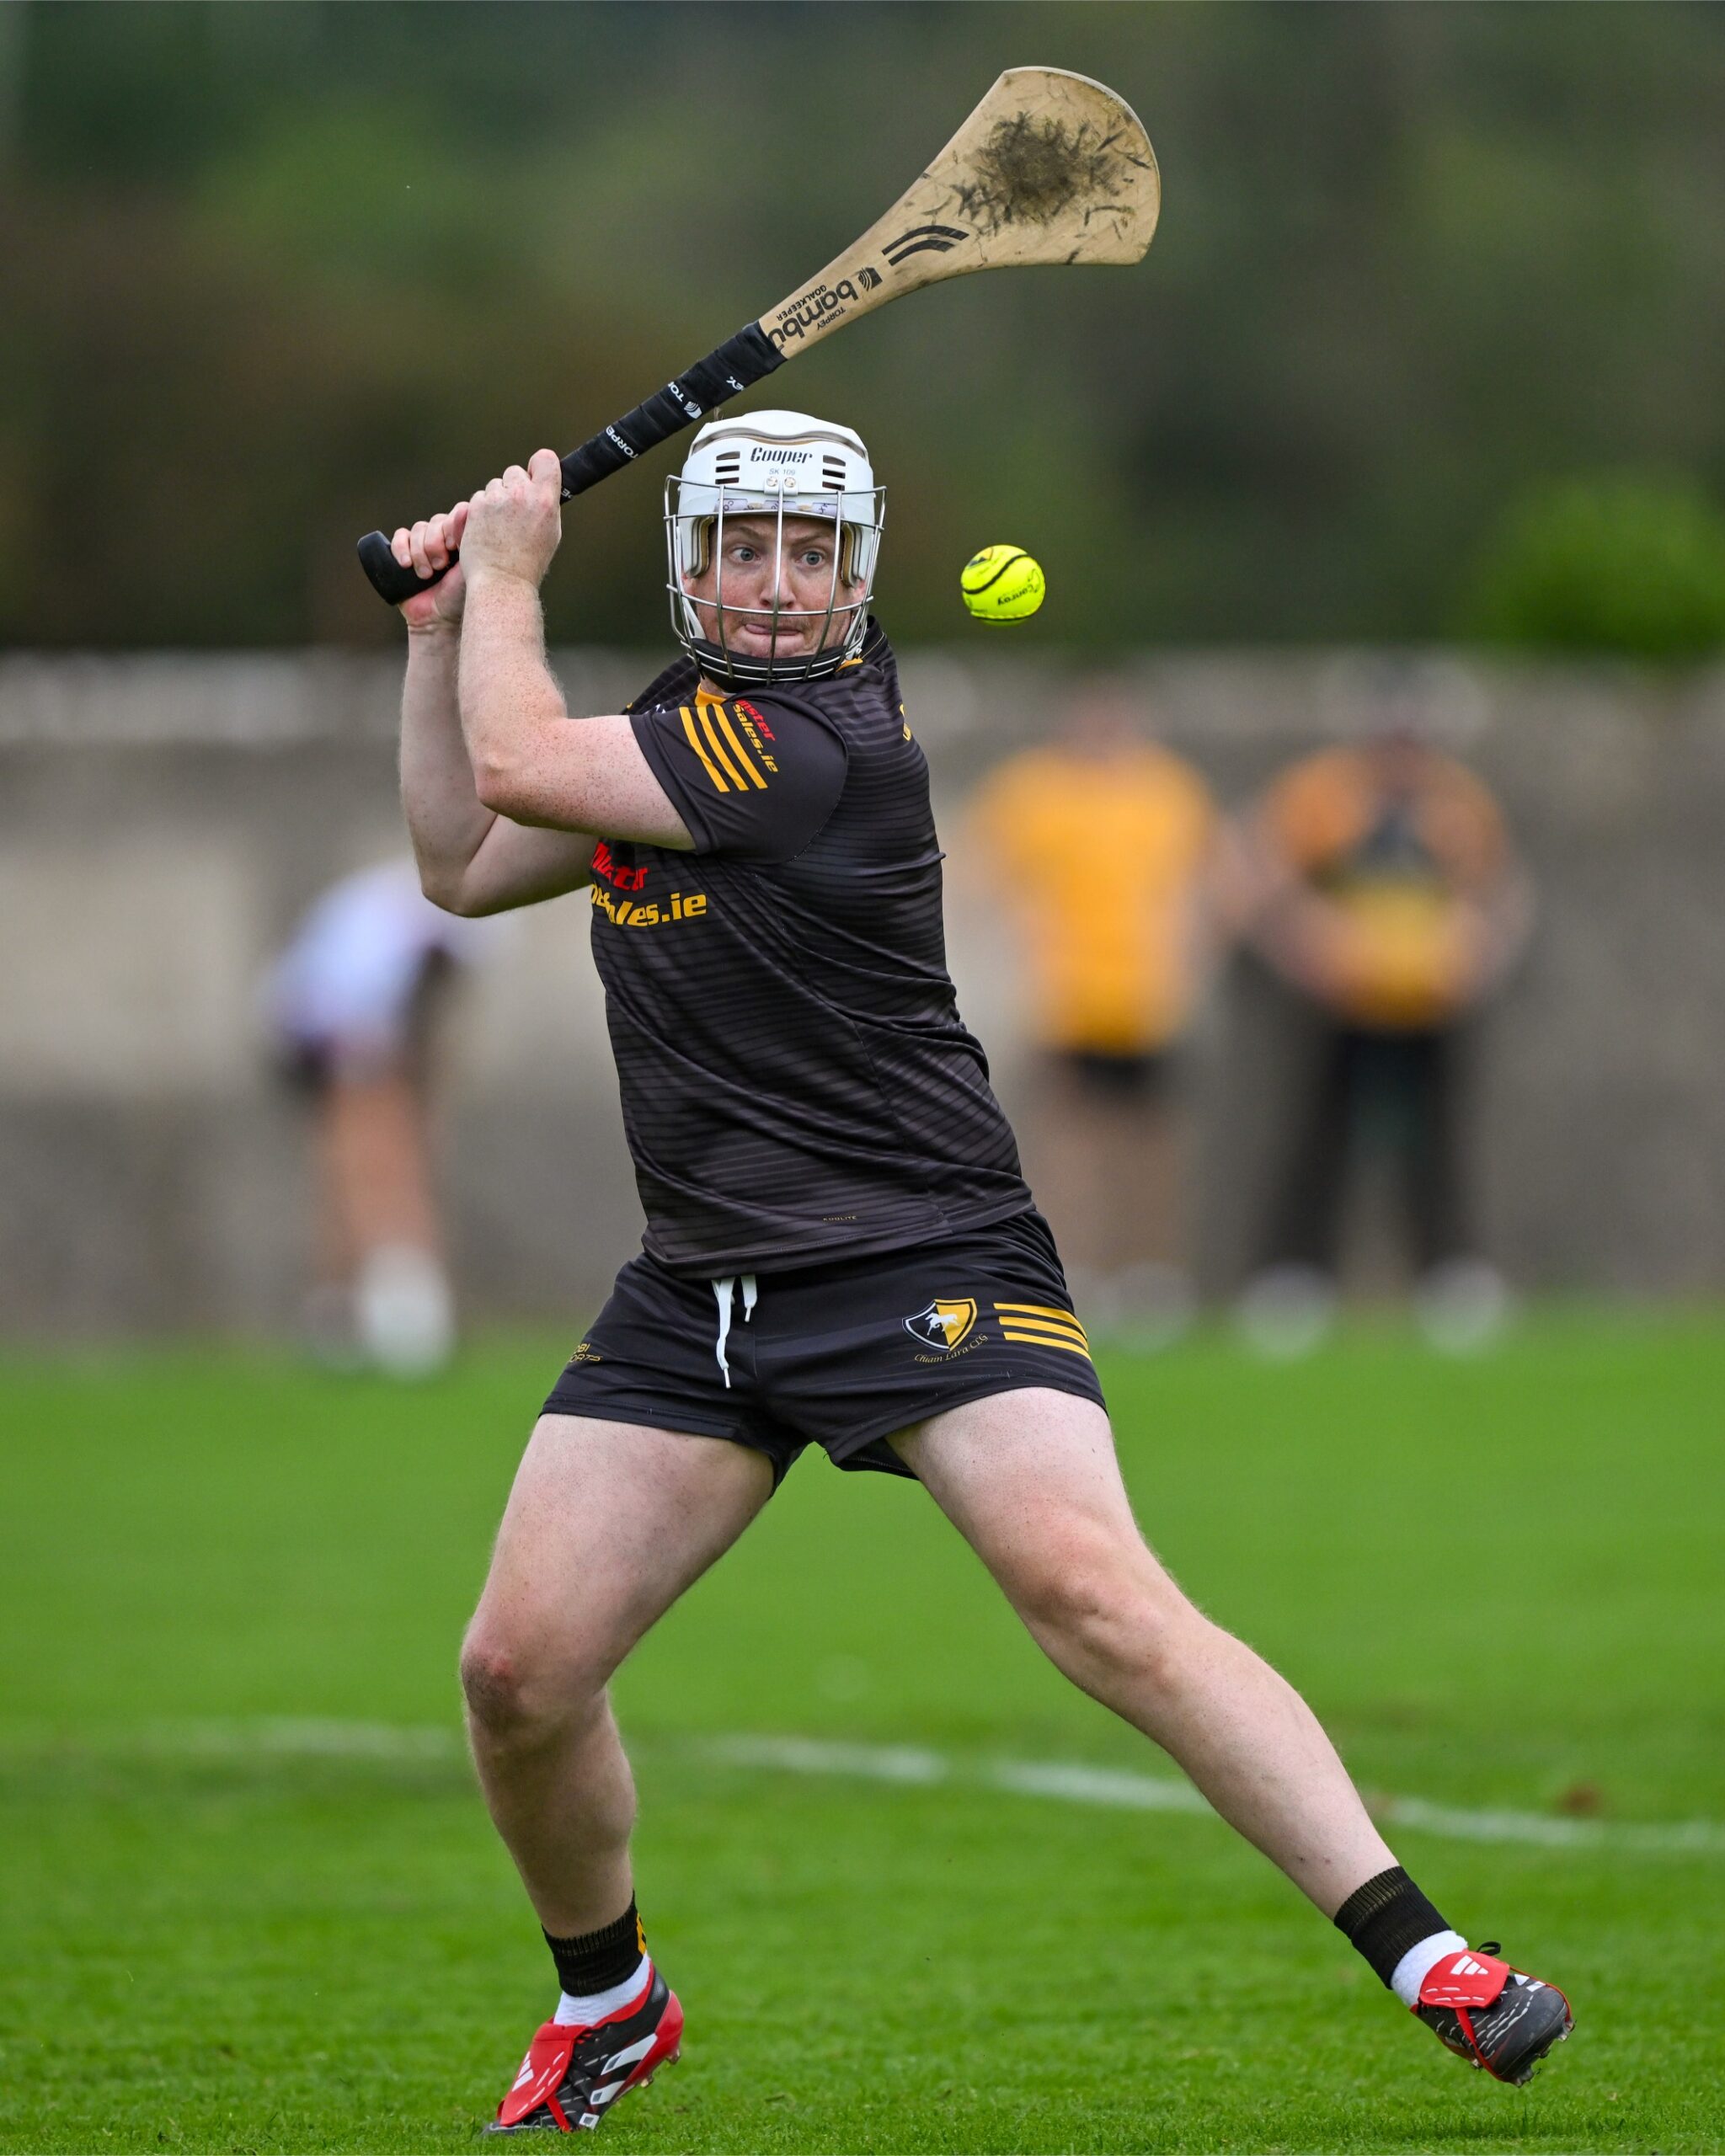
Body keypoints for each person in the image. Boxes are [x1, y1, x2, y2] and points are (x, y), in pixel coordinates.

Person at [388, 413, 1571, 2134]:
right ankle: (609, 1997)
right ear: (694, 562)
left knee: (1093, 1596)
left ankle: (1427, 1953)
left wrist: (504, 573)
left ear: (854, 575)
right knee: (516, 1675)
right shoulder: (671, 727)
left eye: (810, 553)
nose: (775, 583)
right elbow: (459, 860)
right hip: (702, 1290)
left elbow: (511, 766)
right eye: (744, 546)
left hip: (917, 1251)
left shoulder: (812, 745)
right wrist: (437, 638)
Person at [1231, 695, 1530, 1355]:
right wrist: (1302, 945)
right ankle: (1295, 1275)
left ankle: (1449, 1273)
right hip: (1342, 1003)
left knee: (1437, 1141)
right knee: (1318, 1137)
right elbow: (1257, 874)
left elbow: (1501, 889)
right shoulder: (1322, 796)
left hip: (1429, 1004)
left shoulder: (1457, 804)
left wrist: (1482, 952)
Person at [964, 680, 1217, 1337]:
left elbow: (1203, 883)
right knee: (1072, 1145)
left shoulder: (1168, 789)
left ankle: (1150, 1272)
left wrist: (1186, 957)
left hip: (1149, 999)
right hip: (1067, 1000)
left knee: (1149, 1145)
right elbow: (982, 879)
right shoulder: (1032, 792)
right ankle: (1077, 1268)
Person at [264, 857, 494, 1375]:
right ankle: (391, 1306)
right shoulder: (377, 946)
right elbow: (346, 1022)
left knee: (383, 1155)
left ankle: (342, 1310)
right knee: (369, 1160)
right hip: (316, 1030)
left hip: (362, 1031)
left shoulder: (424, 943)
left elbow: (429, 1026)